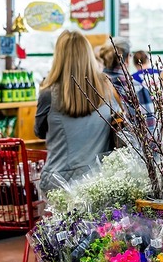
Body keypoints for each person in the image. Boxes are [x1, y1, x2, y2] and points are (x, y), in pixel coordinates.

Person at [34, 30, 117, 193]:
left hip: (59, 182)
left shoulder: (48, 93)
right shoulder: (106, 87)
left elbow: (39, 132)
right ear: (89, 55)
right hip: (100, 180)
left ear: (58, 57)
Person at [100, 38, 155, 132]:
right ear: (127, 59)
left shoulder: (90, 84)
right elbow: (149, 128)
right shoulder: (136, 88)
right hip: (125, 144)